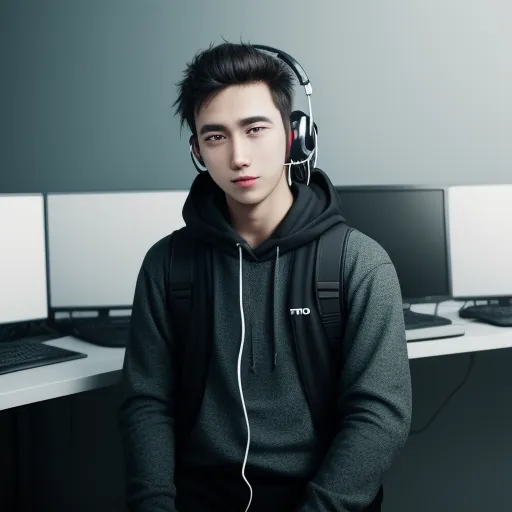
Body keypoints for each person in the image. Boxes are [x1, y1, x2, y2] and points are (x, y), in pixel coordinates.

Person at [118, 40, 412, 512]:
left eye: (255, 129)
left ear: (295, 135)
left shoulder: (358, 263)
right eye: (216, 137)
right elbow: (146, 404)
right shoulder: (167, 265)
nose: (238, 156)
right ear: (197, 150)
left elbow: (379, 417)